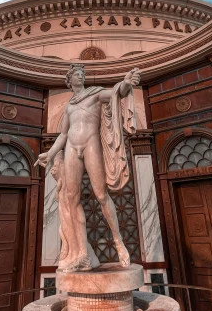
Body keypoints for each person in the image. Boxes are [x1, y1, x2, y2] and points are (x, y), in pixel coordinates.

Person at [36, 63, 140, 272]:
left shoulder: (94, 94)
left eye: (83, 74)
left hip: (91, 144)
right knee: (71, 198)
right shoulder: (69, 106)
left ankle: (118, 241)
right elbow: (64, 134)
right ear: (69, 80)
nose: (81, 77)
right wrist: (51, 153)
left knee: (101, 196)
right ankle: (82, 253)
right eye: (77, 74)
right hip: (72, 148)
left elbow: (114, 94)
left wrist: (126, 84)